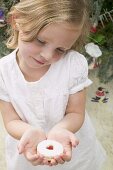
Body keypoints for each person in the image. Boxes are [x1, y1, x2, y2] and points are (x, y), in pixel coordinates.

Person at [0, 0, 106, 170]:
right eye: (41, 41)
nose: (47, 56)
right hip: (28, 148)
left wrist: (61, 130)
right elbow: (11, 120)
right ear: (16, 21)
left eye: (60, 50)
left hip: (71, 146)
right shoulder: (3, 72)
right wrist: (28, 132)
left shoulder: (73, 64)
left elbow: (75, 112)